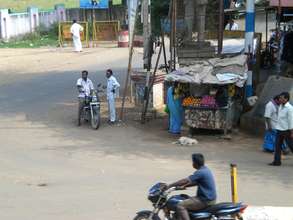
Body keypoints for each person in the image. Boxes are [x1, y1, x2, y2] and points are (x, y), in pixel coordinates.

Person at [164, 154, 217, 220]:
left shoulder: (200, 172)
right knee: (185, 198)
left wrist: (169, 185)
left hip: (205, 200)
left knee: (181, 205)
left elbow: (185, 180)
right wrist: (183, 186)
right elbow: (196, 182)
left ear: (195, 163)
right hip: (208, 198)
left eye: (193, 162)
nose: (192, 163)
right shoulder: (205, 169)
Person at [269, 92, 293, 166]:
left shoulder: (289, 108)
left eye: (281, 98)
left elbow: (291, 120)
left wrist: (292, 132)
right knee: (277, 147)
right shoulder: (280, 106)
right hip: (279, 129)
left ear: (286, 99)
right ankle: (277, 161)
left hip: (287, 130)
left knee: (291, 146)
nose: (280, 99)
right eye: (279, 98)